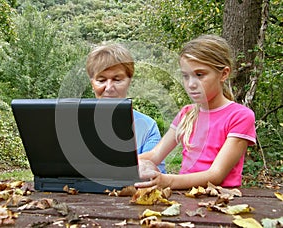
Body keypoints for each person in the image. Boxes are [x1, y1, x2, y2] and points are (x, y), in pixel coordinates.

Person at [134, 34, 256, 189]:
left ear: (224, 74)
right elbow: (154, 155)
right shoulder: (186, 113)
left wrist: (167, 181)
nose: (191, 84)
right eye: (186, 76)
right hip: (185, 198)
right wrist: (114, 165)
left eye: (199, 75)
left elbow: (216, 175)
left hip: (221, 202)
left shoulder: (240, 116)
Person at [85, 43, 166, 173]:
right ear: (92, 84)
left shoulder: (148, 126)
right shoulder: (72, 124)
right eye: (101, 80)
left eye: (117, 80)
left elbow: (156, 175)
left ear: (129, 81)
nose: (109, 88)